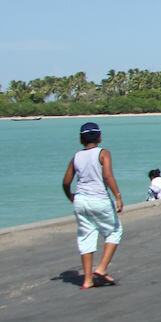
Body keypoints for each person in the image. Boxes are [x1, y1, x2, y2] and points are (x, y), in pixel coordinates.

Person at [60, 121, 124, 290]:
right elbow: (108, 176)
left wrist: (70, 196)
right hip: (99, 199)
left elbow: (66, 182)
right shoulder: (103, 153)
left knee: (86, 236)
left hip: (81, 200)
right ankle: (101, 268)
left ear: (81, 139)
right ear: (100, 137)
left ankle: (87, 279)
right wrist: (118, 196)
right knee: (114, 231)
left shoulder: (76, 157)